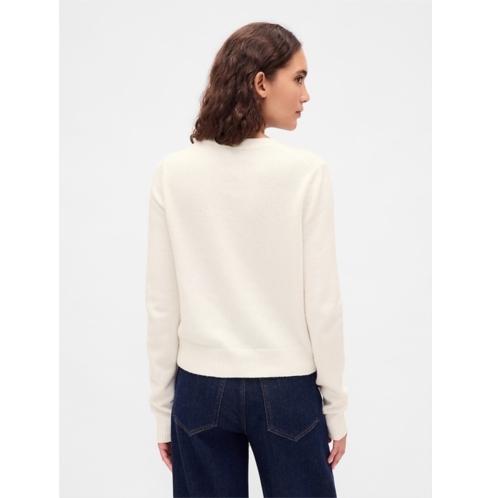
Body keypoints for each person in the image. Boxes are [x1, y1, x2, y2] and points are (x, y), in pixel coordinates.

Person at [146, 21, 348, 498]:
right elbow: (323, 304)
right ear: (261, 83)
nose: (306, 94)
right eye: (298, 78)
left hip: (199, 391)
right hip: (287, 390)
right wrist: (336, 409)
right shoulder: (306, 173)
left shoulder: (173, 173)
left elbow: (161, 305)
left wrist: (162, 411)